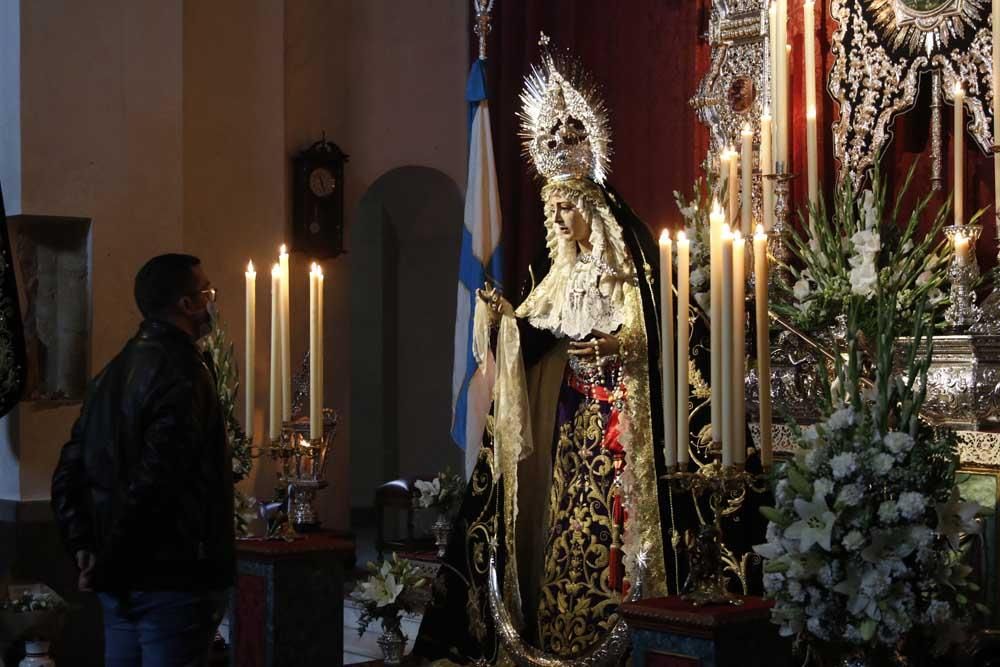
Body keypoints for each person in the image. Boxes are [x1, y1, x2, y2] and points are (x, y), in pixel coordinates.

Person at [415, 37, 677, 663]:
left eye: (565, 206)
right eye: (550, 205)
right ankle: (554, 637)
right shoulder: (555, 275)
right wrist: (503, 322)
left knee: (608, 541)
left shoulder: (629, 259)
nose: (556, 216)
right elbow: (535, 334)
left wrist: (617, 345)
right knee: (560, 537)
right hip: (566, 430)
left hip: (619, 432)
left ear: (591, 207)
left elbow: (660, 333)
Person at [51, 254, 233, 667]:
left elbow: (68, 469)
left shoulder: (111, 374)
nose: (212, 302)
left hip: (119, 577)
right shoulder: (184, 373)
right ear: (187, 305)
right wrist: (108, 560)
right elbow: (158, 483)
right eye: (207, 293)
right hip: (172, 576)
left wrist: (83, 545)